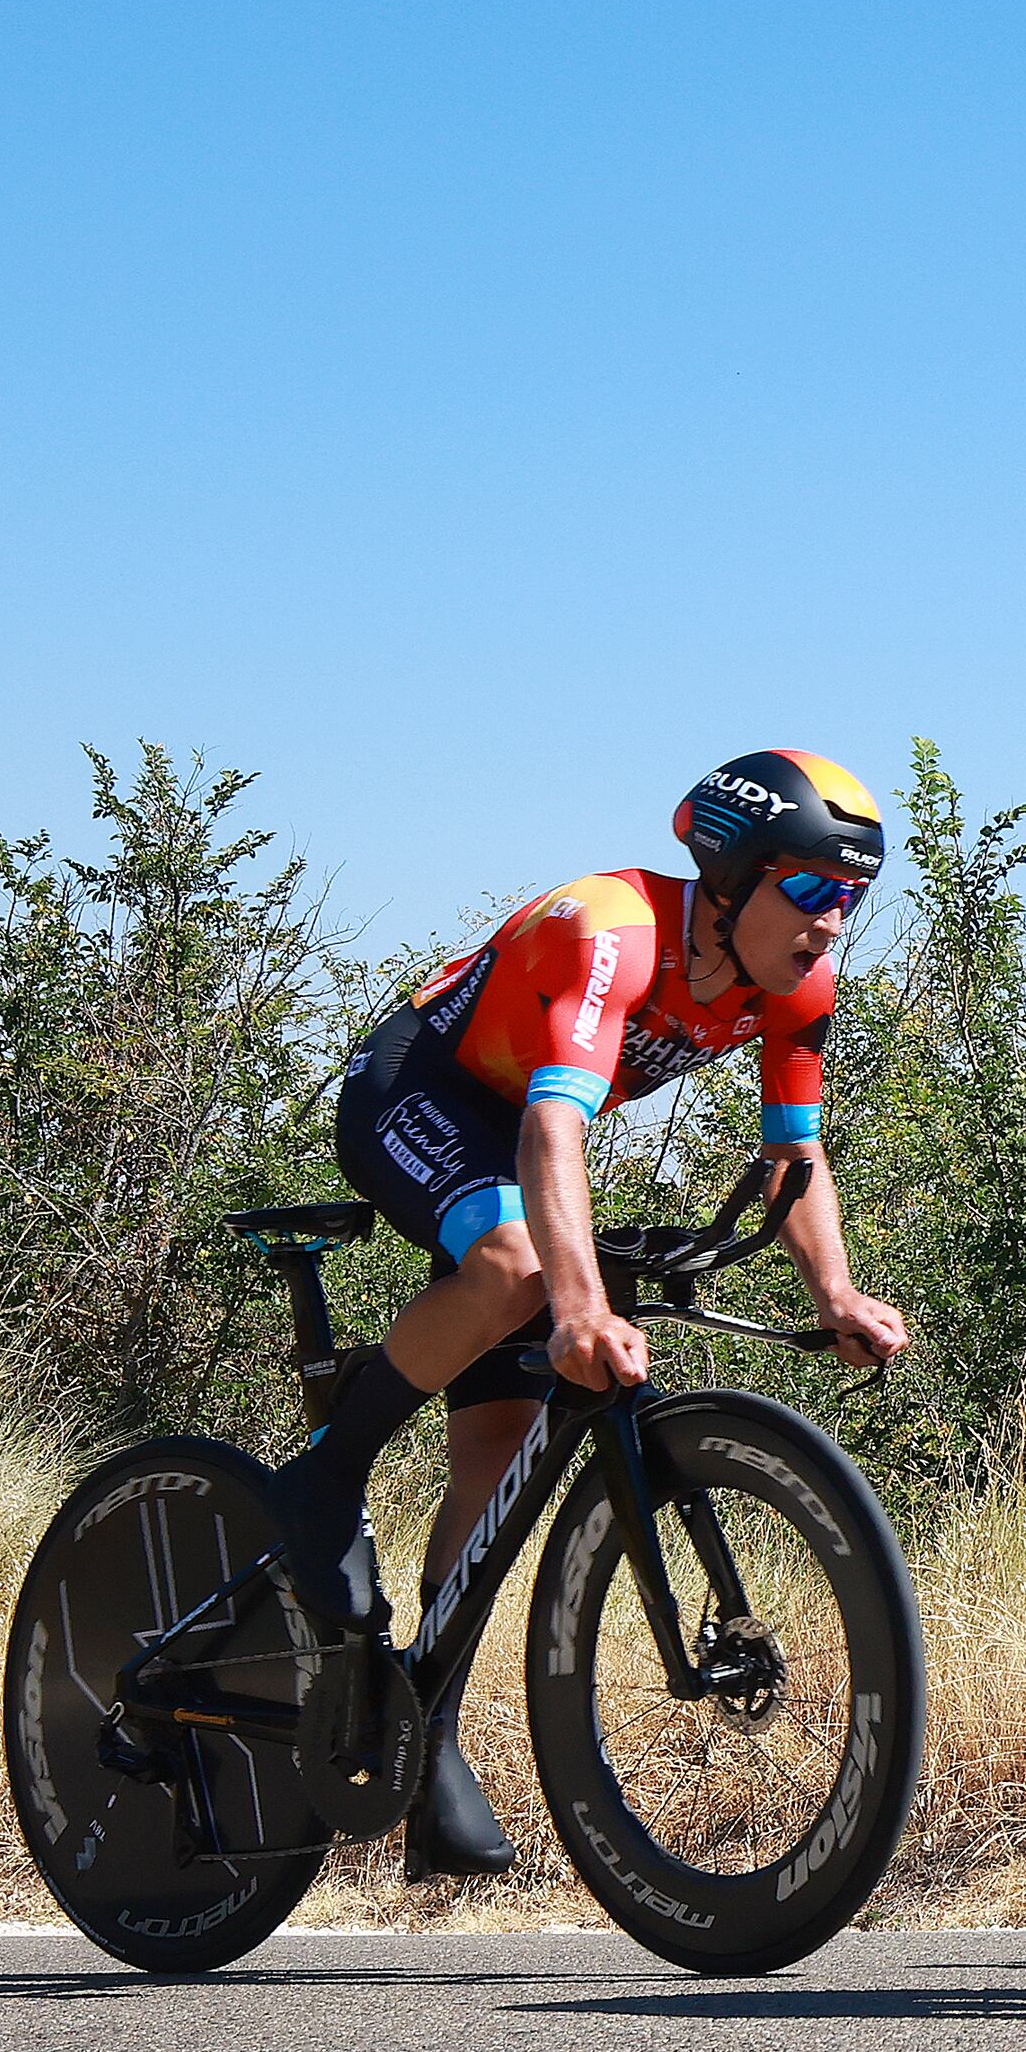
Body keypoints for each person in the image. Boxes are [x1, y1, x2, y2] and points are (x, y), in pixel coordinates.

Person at [276, 748, 916, 1876]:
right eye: (813, 889)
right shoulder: (608, 930)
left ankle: (426, 1732)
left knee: (500, 1441)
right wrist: (575, 1307)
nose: (831, 922)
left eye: (852, 897)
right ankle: (328, 1471)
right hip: (421, 1092)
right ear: (730, 875)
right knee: (527, 1268)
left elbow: (791, 1155)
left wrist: (836, 1293)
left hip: (520, 1132)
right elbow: (552, 1130)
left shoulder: (798, 988)